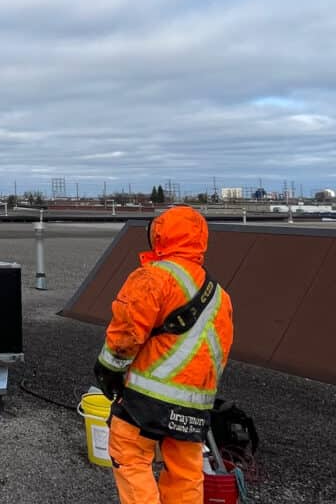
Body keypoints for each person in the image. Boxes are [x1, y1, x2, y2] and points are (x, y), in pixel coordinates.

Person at [94, 205, 234, 504]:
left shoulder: (154, 277)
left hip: (147, 398)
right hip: (196, 403)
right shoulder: (220, 296)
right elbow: (219, 350)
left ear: (158, 234)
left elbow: (126, 333)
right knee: (185, 473)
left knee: (130, 456)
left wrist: (108, 370)